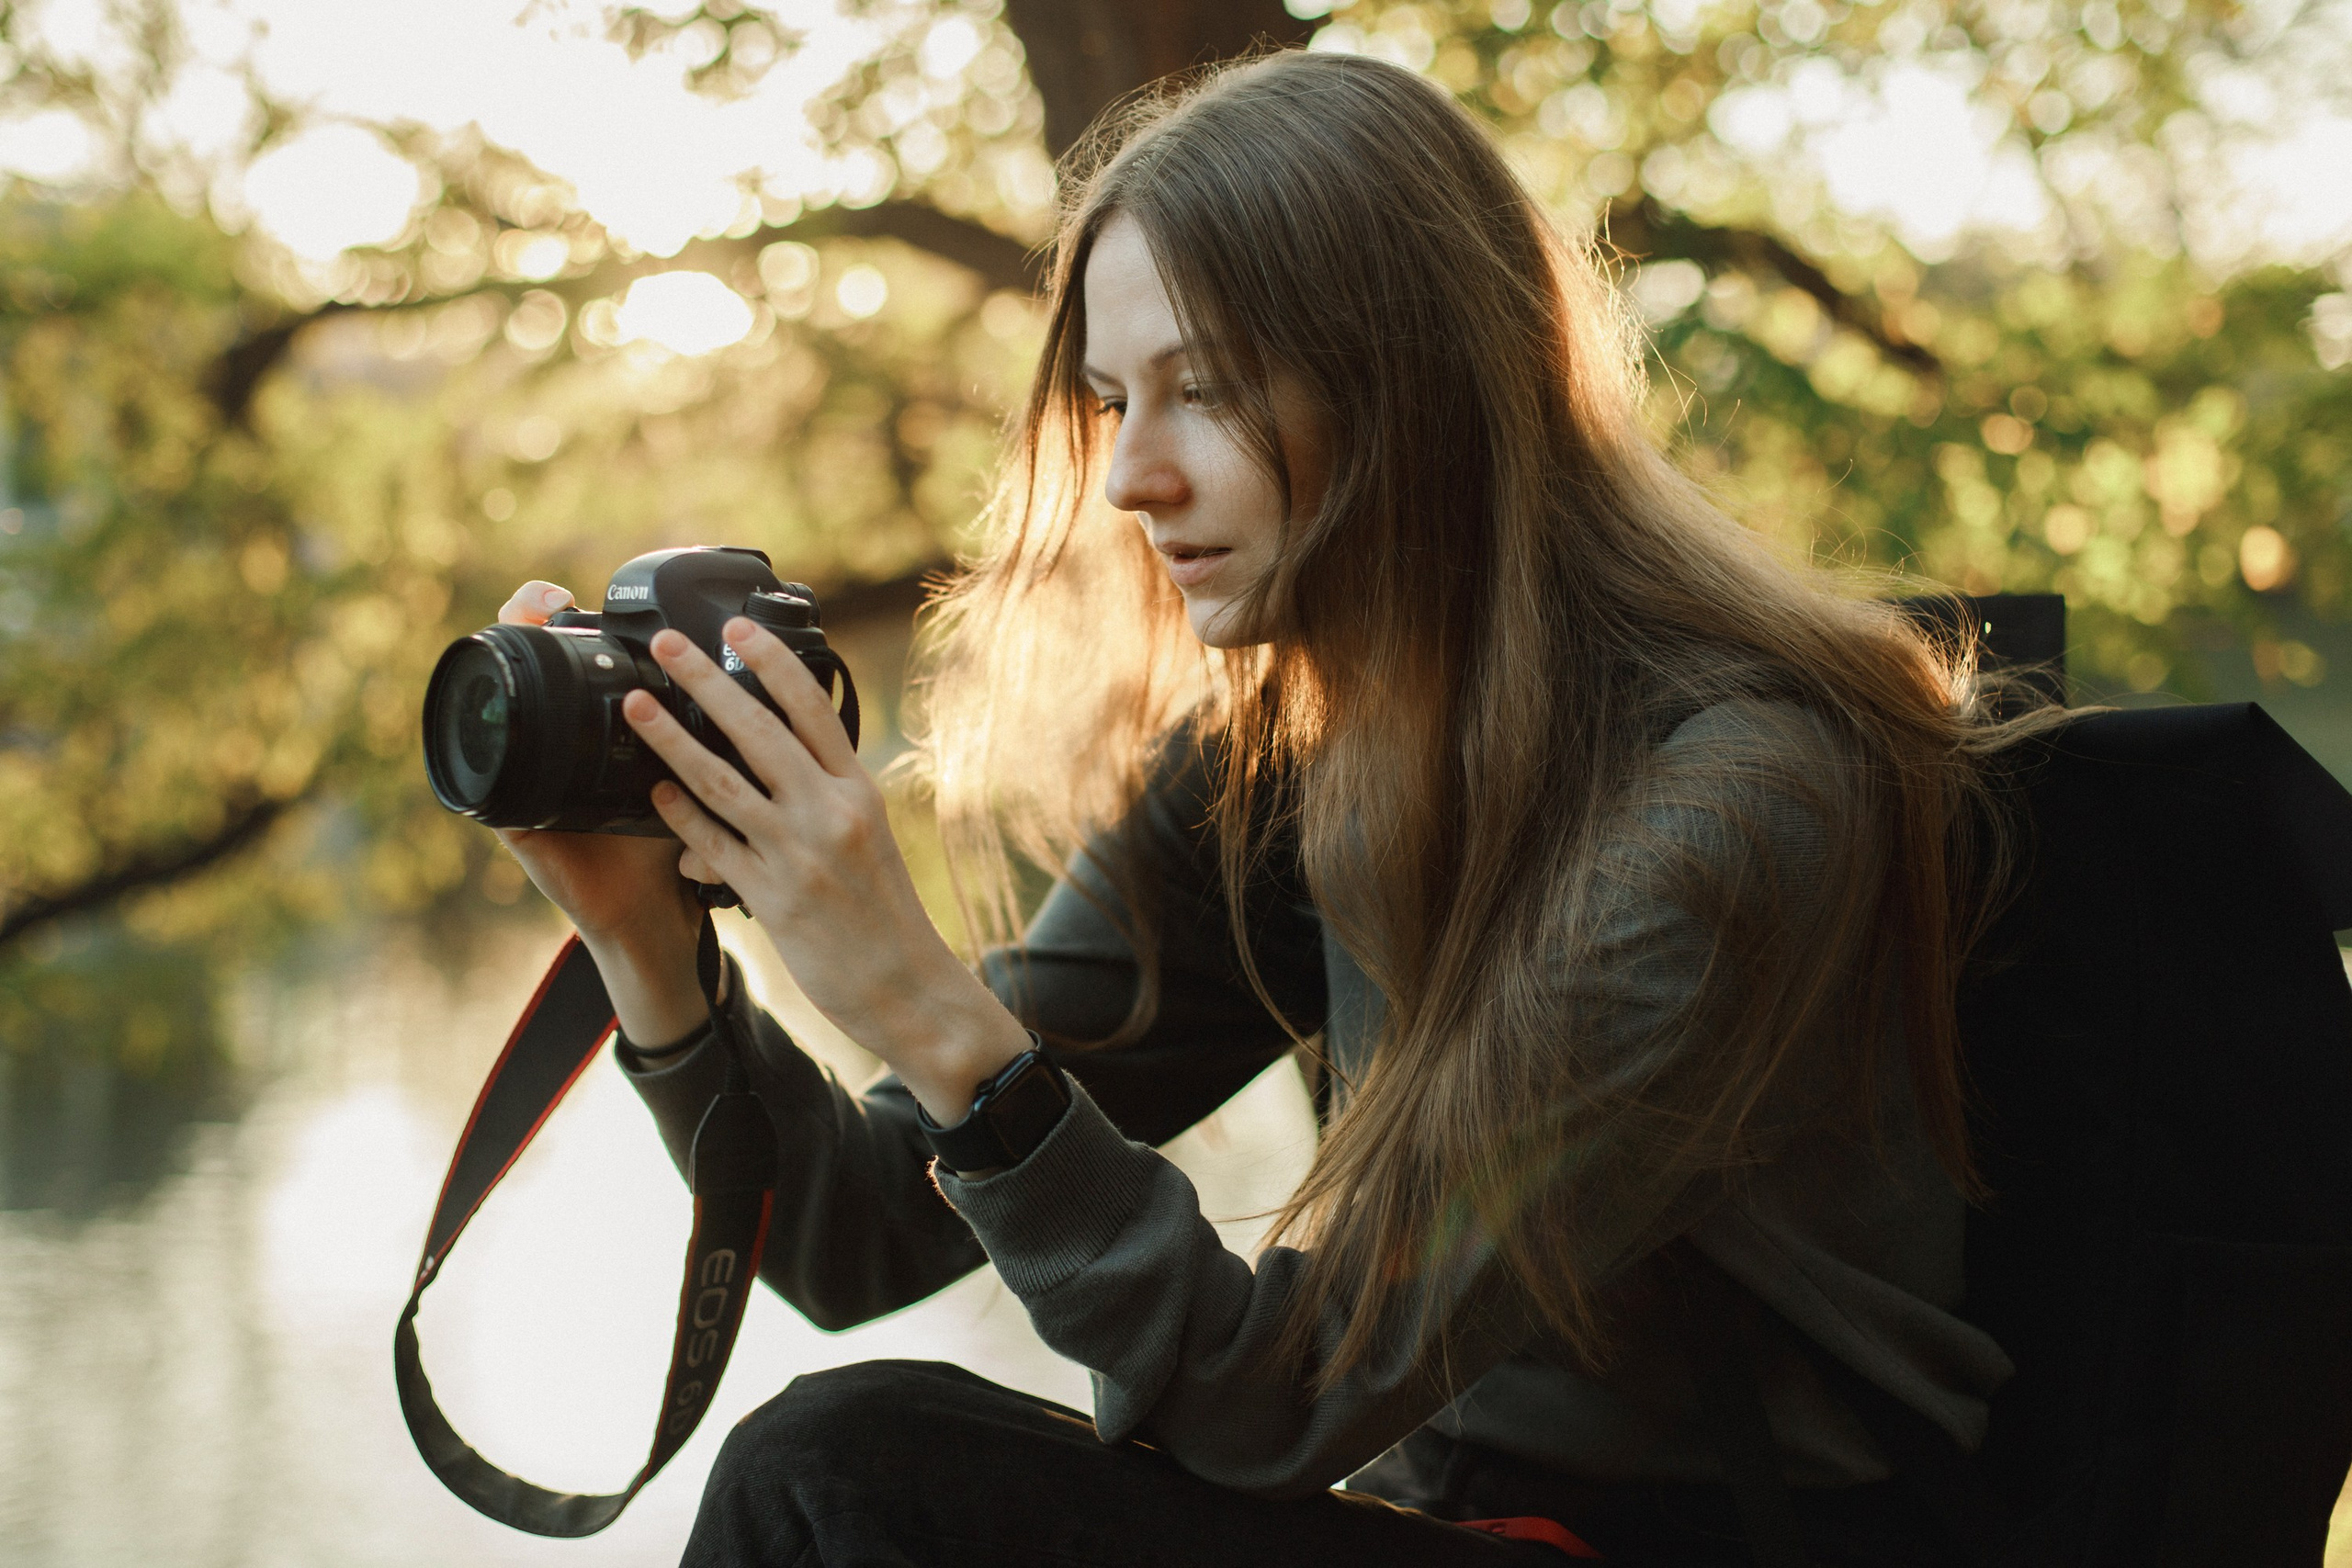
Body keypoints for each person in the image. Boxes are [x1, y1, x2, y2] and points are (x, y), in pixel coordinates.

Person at [492, 50, 2049, 1568]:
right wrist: (653, 955)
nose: (1130, 478)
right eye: (1112, 400)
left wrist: (913, 991)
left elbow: (1276, 1396)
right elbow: (853, 1238)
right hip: (1458, 1517)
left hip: (1752, 1541)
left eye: (1207, 391)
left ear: (1415, 381)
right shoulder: (1284, 771)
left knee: (839, 1475)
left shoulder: (1743, 801)